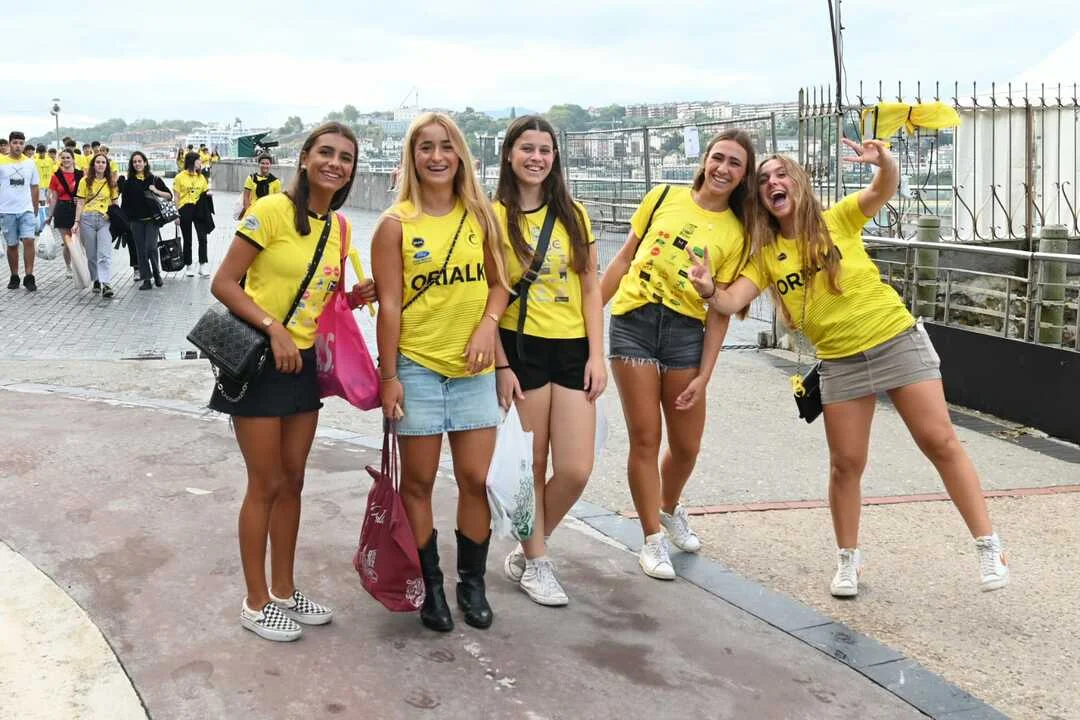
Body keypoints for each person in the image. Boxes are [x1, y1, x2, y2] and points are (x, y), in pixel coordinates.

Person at [688, 140, 1010, 597]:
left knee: (939, 441)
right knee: (846, 464)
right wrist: (706, 289)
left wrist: (885, 162)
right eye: (763, 180)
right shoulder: (764, 255)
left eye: (781, 174)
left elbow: (883, 189)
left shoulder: (836, 220)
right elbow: (730, 301)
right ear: (758, 197)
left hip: (895, 340)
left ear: (798, 183)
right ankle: (847, 560)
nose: (773, 183)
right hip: (840, 362)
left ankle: (988, 545)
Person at [209, 122, 375, 642]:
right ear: (304, 158)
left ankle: (284, 589)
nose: (335, 163)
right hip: (259, 361)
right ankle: (255, 601)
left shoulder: (340, 228)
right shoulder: (270, 211)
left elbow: (322, 304)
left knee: (294, 480)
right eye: (325, 152)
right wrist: (273, 328)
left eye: (345, 157)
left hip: (302, 366)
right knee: (264, 483)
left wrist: (354, 298)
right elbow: (223, 283)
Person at [372, 112, 509, 632]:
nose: (436, 157)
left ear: (460, 155)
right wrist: (390, 377)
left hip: (473, 369)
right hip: (417, 367)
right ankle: (430, 587)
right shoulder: (395, 224)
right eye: (425, 147)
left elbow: (499, 285)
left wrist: (488, 328)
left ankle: (472, 584)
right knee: (419, 483)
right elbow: (389, 307)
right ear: (412, 156)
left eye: (446, 146)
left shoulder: (481, 216)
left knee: (476, 480)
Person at [599, 129, 756, 580]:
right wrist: (588, 320)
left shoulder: (738, 232)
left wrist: (705, 374)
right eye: (718, 157)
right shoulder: (663, 196)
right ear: (705, 159)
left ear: (744, 175)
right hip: (634, 323)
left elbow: (721, 311)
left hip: (686, 333)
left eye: (735, 163)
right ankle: (651, 539)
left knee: (686, 446)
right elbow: (623, 260)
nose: (723, 169)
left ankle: (668, 508)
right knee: (645, 438)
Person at [491, 116, 606, 606]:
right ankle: (537, 562)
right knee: (531, 466)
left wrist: (597, 354)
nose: (536, 158)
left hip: (573, 348)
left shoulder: (573, 214)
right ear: (509, 154)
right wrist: (501, 365)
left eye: (545, 150)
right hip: (521, 346)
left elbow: (590, 287)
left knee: (576, 468)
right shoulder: (492, 216)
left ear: (555, 157)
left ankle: (528, 544)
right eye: (527, 148)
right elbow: (486, 299)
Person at [121, 151, 171, 289]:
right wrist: (125, 224)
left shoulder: (154, 179)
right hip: (136, 222)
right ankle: (146, 279)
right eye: (134, 162)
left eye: (139, 161)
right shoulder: (128, 183)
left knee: (151, 248)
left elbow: (169, 196)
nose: (137, 164)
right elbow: (125, 205)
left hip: (152, 220)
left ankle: (156, 273)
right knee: (141, 251)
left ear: (145, 163)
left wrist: (156, 190)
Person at [73, 153, 119, 298]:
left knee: (104, 253)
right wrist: (76, 222)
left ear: (107, 166)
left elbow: (115, 203)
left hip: (105, 220)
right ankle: (96, 279)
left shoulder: (111, 182)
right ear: (93, 164)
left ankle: (106, 283)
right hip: (87, 219)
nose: (100, 165)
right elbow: (80, 202)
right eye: (98, 162)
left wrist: (111, 215)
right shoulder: (85, 181)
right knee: (91, 254)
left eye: (103, 162)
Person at [0, 131, 41, 291]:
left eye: (21, 143)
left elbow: (34, 186)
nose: (18, 146)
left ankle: (29, 276)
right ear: (10, 143)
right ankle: (14, 275)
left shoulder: (30, 163)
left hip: (26, 209)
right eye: (15, 142)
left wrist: (35, 207)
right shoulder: (1, 162)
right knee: (12, 244)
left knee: (29, 240)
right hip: (7, 210)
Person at [44, 148, 83, 277]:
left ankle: (79, 265)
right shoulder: (56, 176)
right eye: (63, 158)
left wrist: (80, 199)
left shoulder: (81, 175)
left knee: (77, 241)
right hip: (61, 210)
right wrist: (49, 215)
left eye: (68, 157)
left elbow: (86, 193)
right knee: (67, 243)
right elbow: (54, 197)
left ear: (73, 159)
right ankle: (68, 267)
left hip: (77, 210)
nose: (66, 160)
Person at [174, 151, 210, 277]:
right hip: (185, 208)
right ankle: (188, 265)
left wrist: (209, 194)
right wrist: (176, 214)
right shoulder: (180, 177)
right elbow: (176, 196)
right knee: (187, 239)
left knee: (202, 237)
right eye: (198, 160)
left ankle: (203, 264)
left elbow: (205, 192)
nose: (201, 162)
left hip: (199, 208)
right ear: (192, 161)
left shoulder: (201, 177)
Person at [34, 144, 53, 232]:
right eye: (40, 152)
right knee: (42, 204)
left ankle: (48, 220)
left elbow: (52, 171)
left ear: (45, 152)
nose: (42, 154)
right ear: (38, 152)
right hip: (40, 186)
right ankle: (42, 223)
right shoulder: (35, 161)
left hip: (49, 185)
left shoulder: (49, 160)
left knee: (49, 203)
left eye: (43, 152)